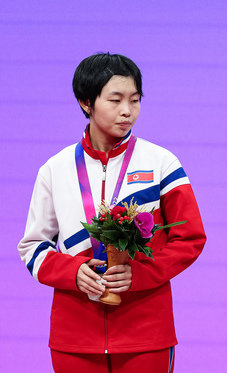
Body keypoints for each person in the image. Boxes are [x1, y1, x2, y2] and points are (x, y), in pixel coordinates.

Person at [18, 53, 206, 373]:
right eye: (115, 100)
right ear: (86, 102)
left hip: (145, 334)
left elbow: (190, 238)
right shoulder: (55, 169)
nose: (127, 111)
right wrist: (72, 273)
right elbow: (33, 246)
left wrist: (140, 274)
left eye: (134, 100)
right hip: (74, 337)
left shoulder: (161, 163)